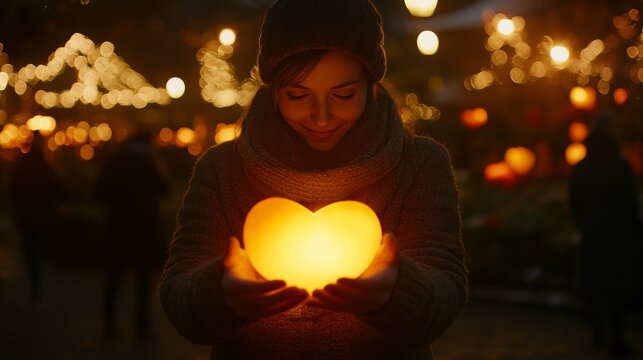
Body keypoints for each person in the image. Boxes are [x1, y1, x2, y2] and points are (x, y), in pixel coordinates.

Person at [160, 1, 468, 359]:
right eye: (297, 95)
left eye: (344, 95)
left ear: (371, 86)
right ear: (273, 90)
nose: (321, 117)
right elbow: (179, 295)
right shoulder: (223, 169)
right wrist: (220, 292)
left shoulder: (418, 165)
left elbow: (445, 289)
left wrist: (399, 289)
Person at [569, 115, 639, 358]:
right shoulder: (619, 166)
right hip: (617, 234)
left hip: (591, 232)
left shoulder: (582, 167)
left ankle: (598, 331)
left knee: (595, 283)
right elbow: (631, 201)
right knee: (616, 284)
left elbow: (574, 202)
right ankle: (616, 336)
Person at [95, 130, 169, 341]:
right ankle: (142, 326)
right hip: (143, 231)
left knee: (114, 278)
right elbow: (164, 189)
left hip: (117, 230)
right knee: (144, 282)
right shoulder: (148, 163)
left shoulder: (113, 162)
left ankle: (109, 323)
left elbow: (99, 192)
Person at [8, 131, 62, 312]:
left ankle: (34, 295)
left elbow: (12, 191)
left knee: (30, 256)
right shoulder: (46, 167)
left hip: (26, 217)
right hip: (40, 218)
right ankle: (36, 295)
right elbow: (57, 191)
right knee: (36, 256)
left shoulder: (21, 165)